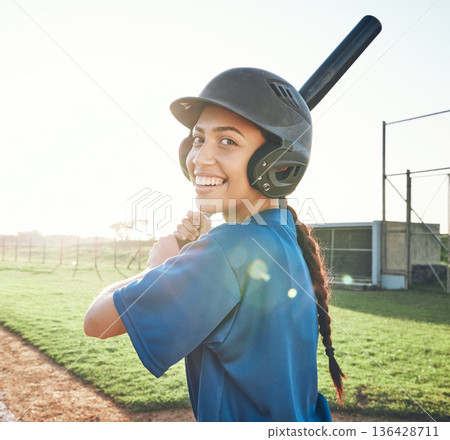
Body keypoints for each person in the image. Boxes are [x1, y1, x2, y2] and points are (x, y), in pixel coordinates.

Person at [84, 67, 345, 422]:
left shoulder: (227, 249)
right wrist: (190, 253)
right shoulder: (284, 235)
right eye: (197, 138)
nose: (199, 158)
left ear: (280, 166)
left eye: (227, 141)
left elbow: (97, 323)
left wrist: (159, 267)